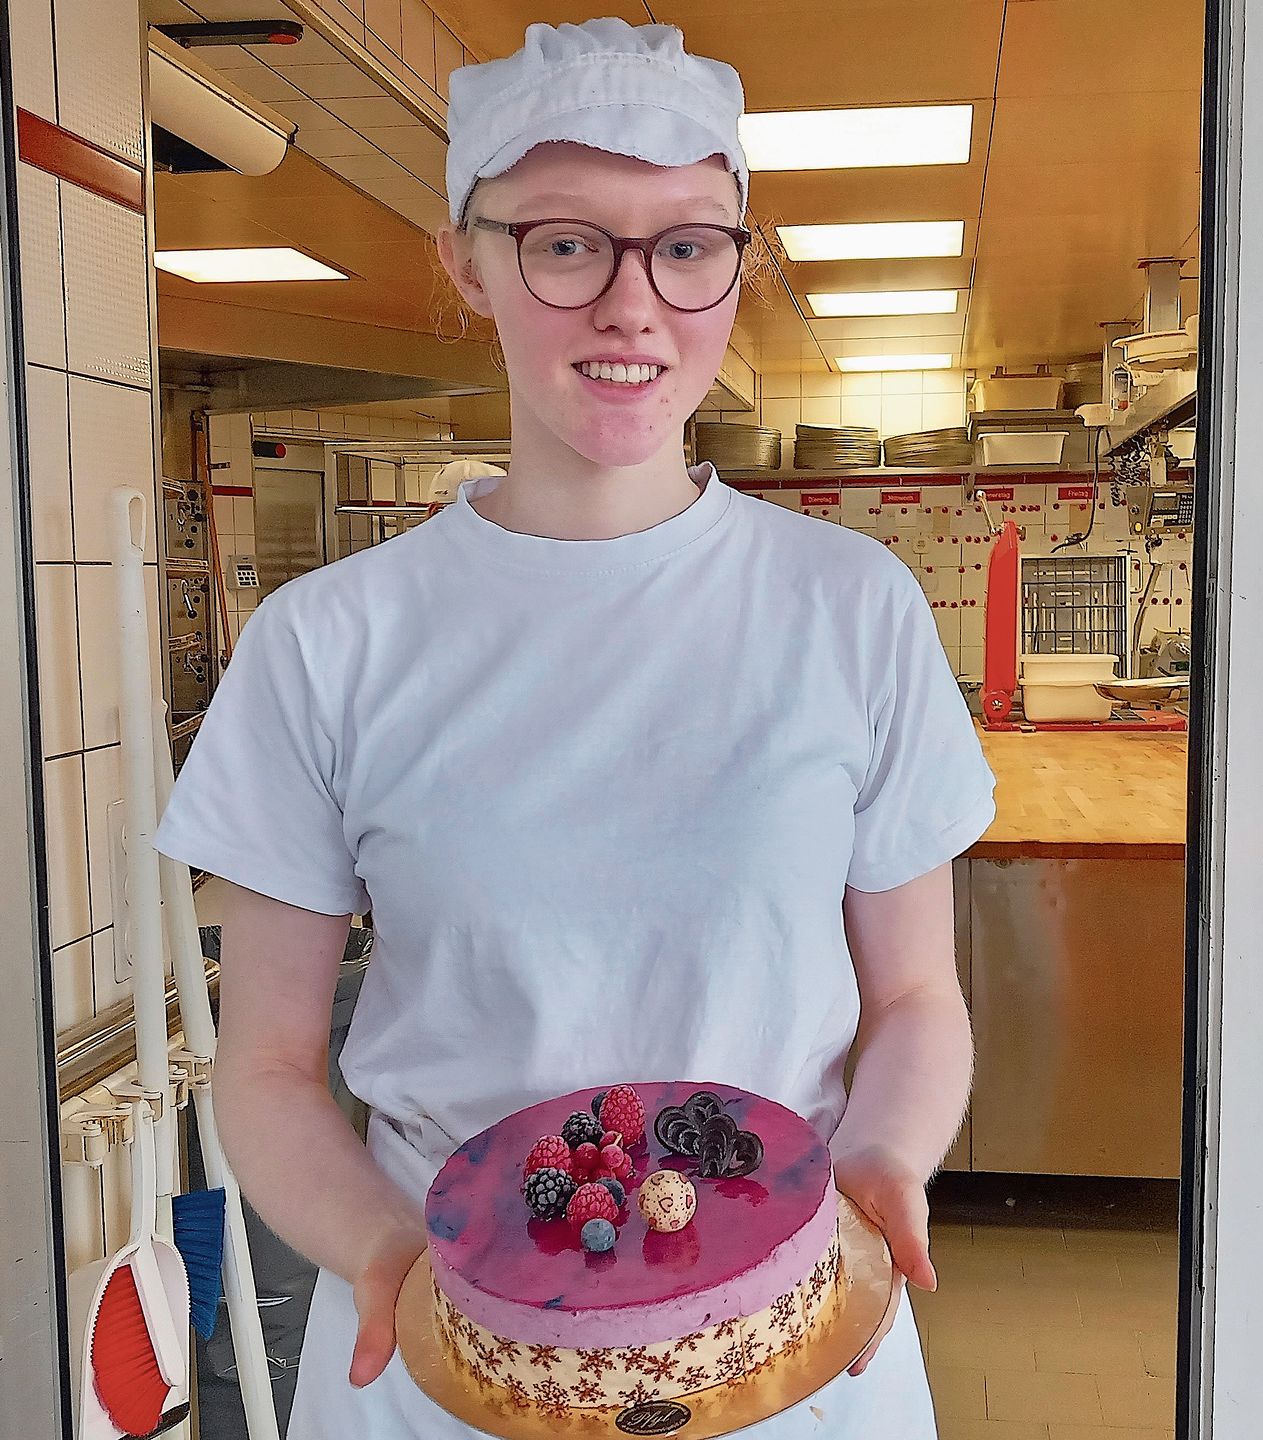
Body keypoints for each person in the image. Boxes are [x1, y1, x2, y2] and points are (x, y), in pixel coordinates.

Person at [153, 17, 996, 1438]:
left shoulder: (849, 607)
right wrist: (390, 1255)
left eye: (685, 243)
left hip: (793, 1344)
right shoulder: (330, 643)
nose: (632, 305)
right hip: (456, 1359)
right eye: (563, 242)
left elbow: (916, 1001)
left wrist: (884, 1159)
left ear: (738, 261)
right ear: (468, 263)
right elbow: (270, 1067)